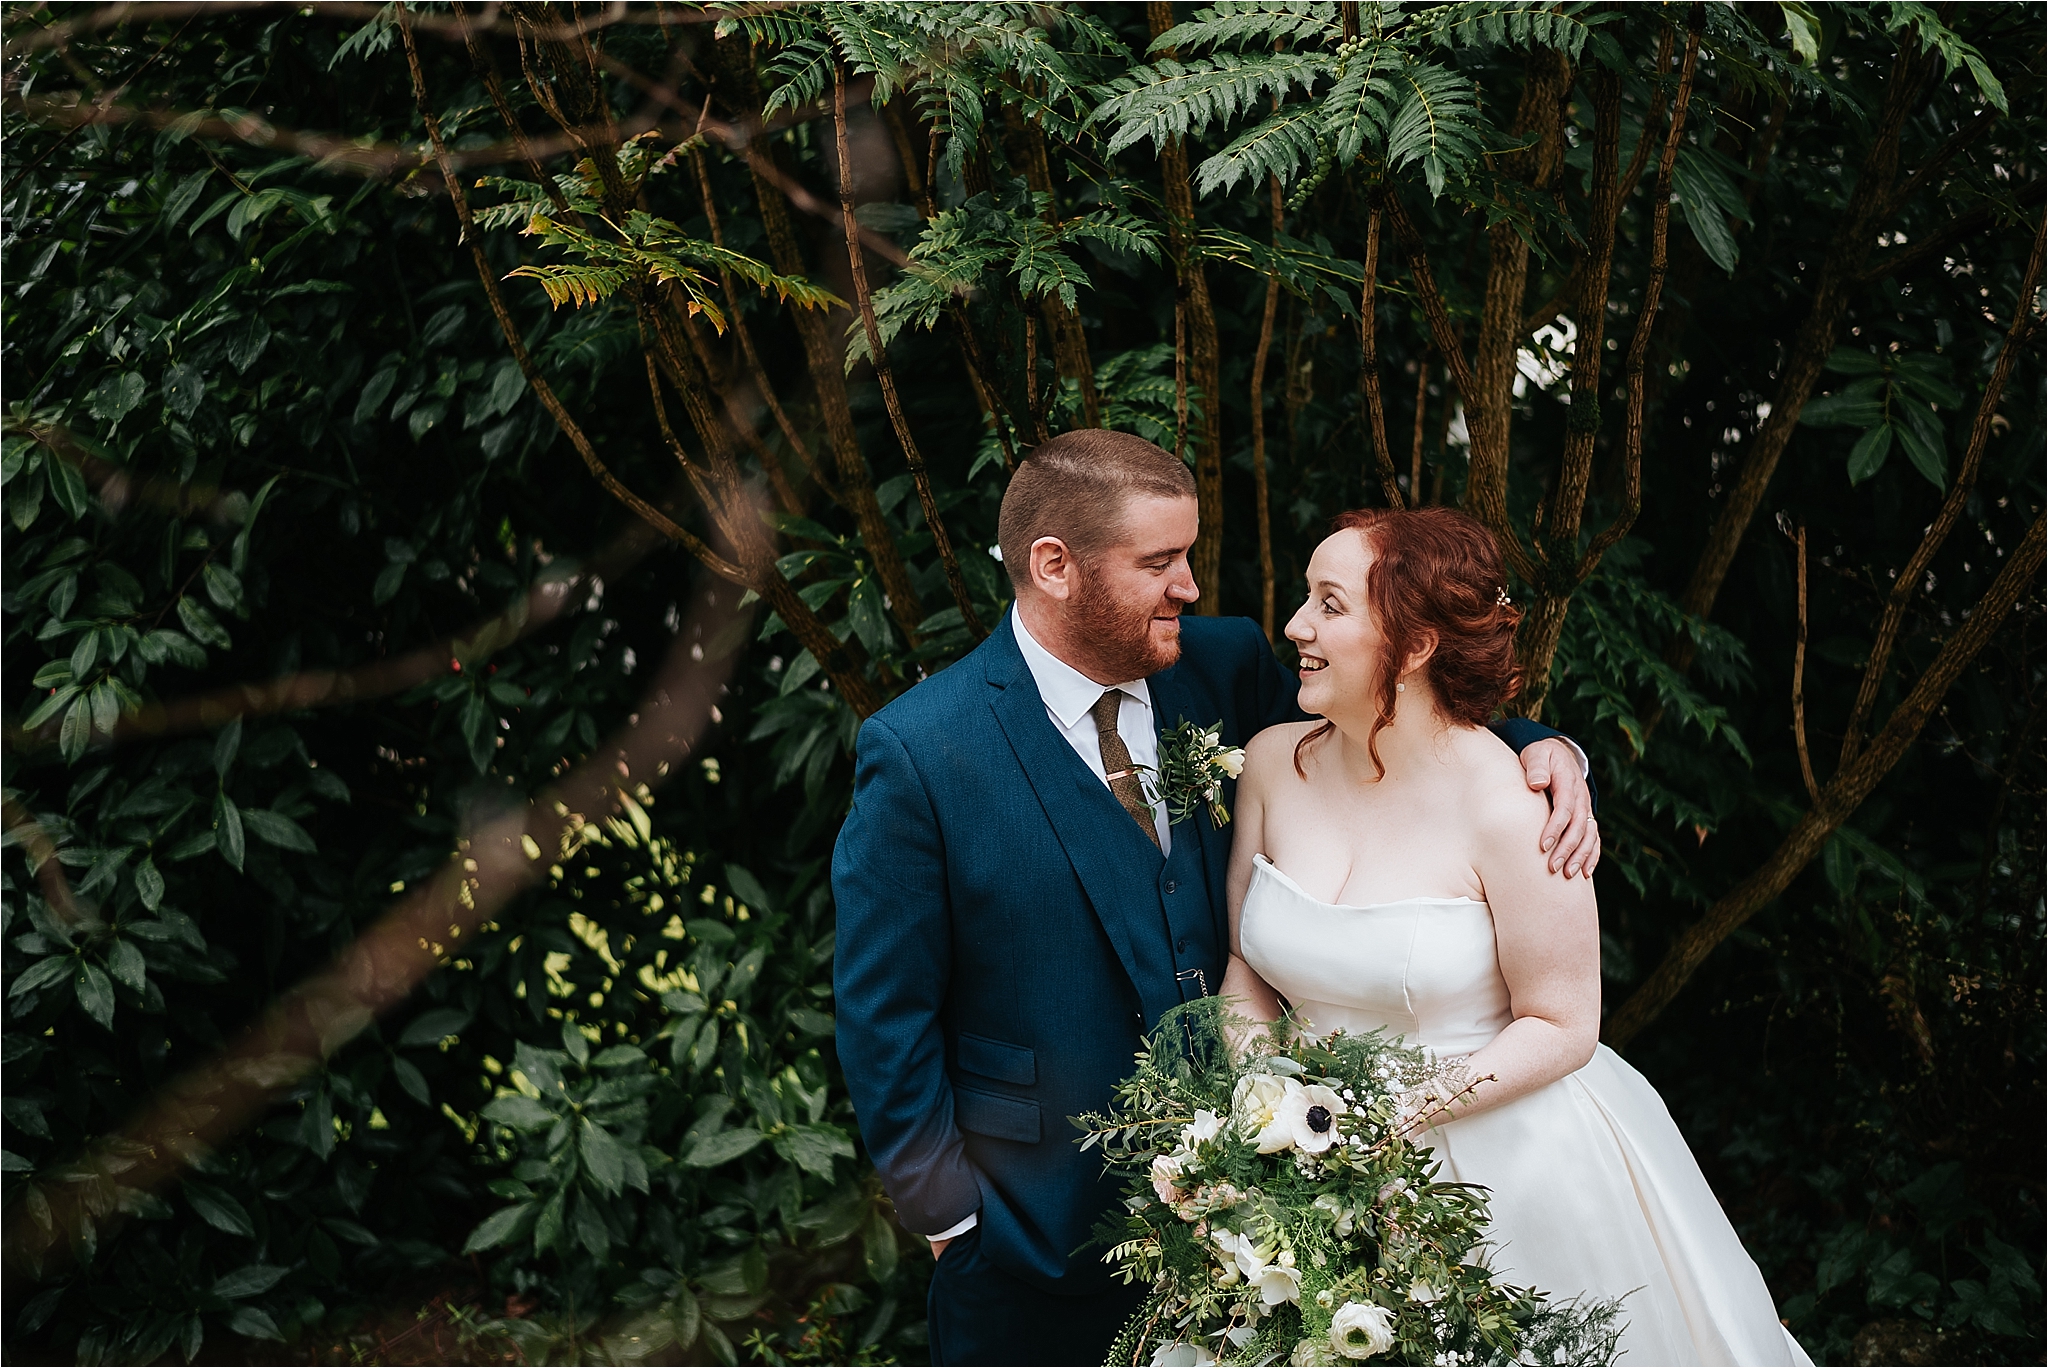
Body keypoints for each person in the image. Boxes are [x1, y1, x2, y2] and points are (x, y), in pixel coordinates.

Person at [831, 432, 1601, 1367]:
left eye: (1189, 557)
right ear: (1054, 567)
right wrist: (948, 1217)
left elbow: (1399, 706)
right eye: (1160, 562)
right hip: (1033, 1227)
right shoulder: (921, 752)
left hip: (1265, 1215)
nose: (1190, 587)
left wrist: (1544, 747)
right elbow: (883, 1011)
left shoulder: (1221, 667)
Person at [1222, 506, 1813, 1366]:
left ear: (1415, 644)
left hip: (1503, 1164)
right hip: (1301, 1160)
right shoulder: (1273, 763)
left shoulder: (1512, 808)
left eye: (1329, 603)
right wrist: (1261, 1114)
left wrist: (1379, 1121)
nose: (1296, 625)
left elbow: (1565, 1022)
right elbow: (1247, 956)